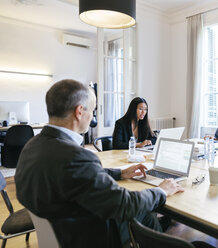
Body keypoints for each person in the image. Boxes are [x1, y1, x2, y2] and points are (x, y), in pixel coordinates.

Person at [15, 79, 183, 248]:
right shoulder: (77, 156)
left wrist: (121, 173)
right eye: (93, 111)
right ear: (80, 111)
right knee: (146, 213)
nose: (92, 117)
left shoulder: (31, 146)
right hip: (89, 237)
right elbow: (125, 205)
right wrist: (161, 190)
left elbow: (79, 175)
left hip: (61, 233)